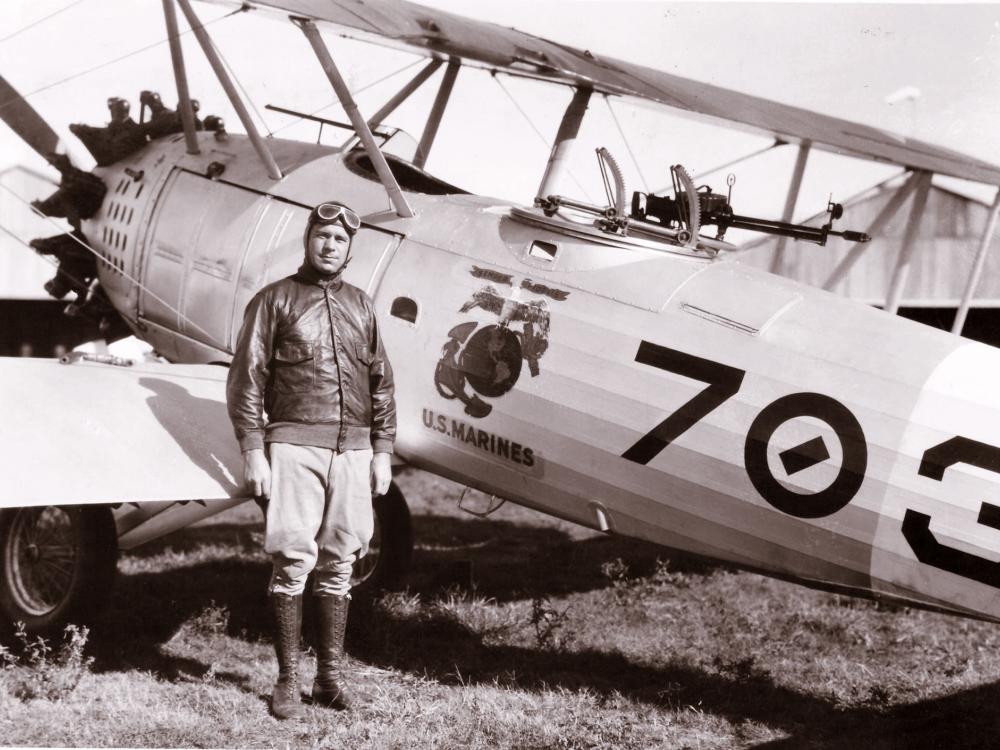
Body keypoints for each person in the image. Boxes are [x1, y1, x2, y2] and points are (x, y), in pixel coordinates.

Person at [226, 201, 396, 720]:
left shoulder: (362, 306)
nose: (330, 246)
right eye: (322, 236)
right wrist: (254, 450)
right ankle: (287, 681)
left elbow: (381, 382)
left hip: (355, 451)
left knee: (342, 560)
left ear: (349, 250)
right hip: (294, 448)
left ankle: (329, 679)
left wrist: (383, 451)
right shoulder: (274, 301)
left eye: (340, 240)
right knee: (294, 559)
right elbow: (246, 381)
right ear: (308, 240)